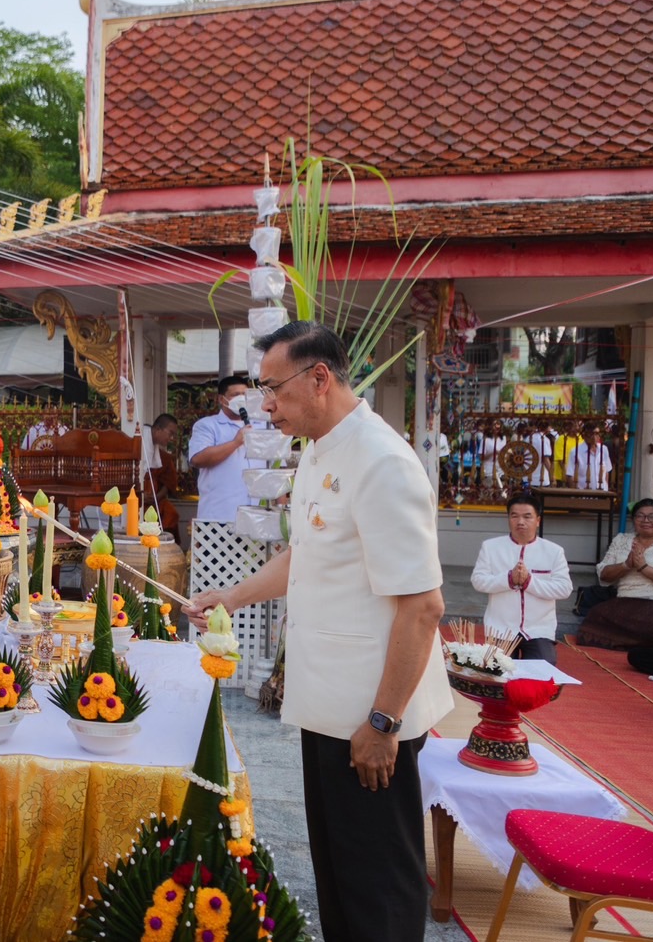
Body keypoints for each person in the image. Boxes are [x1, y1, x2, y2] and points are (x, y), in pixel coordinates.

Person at [189, 321, 451, 942]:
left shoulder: (382, 461)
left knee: (378, 881)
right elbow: (305, 553)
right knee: (340, 875)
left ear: (320, 378)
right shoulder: (320, 450)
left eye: (274, 389)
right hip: (328, 707)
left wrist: (383, 724)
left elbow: (423, 607)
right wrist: (232, 594)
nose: (266, 405)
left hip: (369, 713)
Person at [469, 492, 571, 664]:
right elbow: (478, 580)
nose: (520, 522)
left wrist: (529, 582)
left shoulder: (554, 551)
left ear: (538, 521)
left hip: (538, 630)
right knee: (498, 676)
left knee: (542, 676)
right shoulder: (491, 547)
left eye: (527, 516)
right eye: (514, 516)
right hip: (500, 628)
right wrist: (508, 579)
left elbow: (564, 589)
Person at [578, 497, 653, 650]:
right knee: (595, 615)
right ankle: (643, 644)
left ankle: (637, 644)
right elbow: (604, 575)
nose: (646, 520)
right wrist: (627, 564)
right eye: (640, 516)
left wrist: (643, 567)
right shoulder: (621, 540)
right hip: (625, 601)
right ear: (634, 520)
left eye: (652, 516)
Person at [186, 375, 259, 522]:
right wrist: (235, 442)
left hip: (257, 519)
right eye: (235, 395)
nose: (241, 399)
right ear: (221, 399)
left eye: (244, 395)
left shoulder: (262, 426)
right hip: (220, 517)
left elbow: (276, 471)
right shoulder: (207, 425)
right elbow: (197, 459)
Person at [144, 412, 182, 542]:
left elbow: (169, 483)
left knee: (170, 513)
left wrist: (156, 497)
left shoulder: (163, 456)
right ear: (158, 429)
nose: (171, 438)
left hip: (155, 499)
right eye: (170, 433)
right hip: (137, 497)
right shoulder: (140, 440)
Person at [566, 425, 612, 490]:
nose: (594, 437)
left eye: (597, 434)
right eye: (591, 434)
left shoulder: (604, 449)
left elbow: (607, 472)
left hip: (602, 494)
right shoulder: (575, 452)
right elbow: (570, 475)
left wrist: (606, 487)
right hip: (584, 496)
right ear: (584, 436)